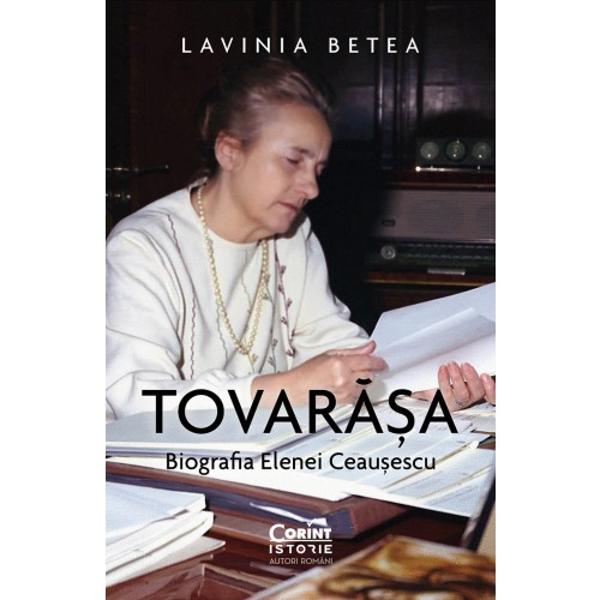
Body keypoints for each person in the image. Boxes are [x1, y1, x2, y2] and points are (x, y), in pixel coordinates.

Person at [106, 57, 495, 422]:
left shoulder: (292, 233)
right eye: (293, 161)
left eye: (318, 169)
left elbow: (337, 350)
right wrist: (284, 388)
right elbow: (137, 402)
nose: (311, 188)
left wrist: (422, 389)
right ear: (229, 152)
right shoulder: (142, 246)